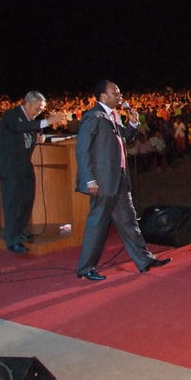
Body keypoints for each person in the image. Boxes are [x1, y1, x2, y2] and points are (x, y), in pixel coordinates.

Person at [75, 81, 170, 281]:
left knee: (129, 221)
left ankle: (144, 260)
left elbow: (124, 137)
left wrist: (133, 124)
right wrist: (89, 179)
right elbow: (82, 149)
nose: (119, 96)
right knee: (98, 225)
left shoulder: (114, 115)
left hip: (119, 179)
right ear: (103, 97)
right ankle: (86, 268)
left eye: (119, 92)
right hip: (102, 181)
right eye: (115, 93)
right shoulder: (93, 116)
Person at [0, 91, 66, 253]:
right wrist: (46, 121)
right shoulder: (11, 115)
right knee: (13, 204)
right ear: (27, 104)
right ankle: (12, 239)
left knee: (26, 201)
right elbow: (18, 128)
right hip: (10, 167)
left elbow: (25, 141)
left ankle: (20, 231)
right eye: (37, 108)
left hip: (24, 167)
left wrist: (37, 140)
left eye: (41, 110)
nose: (38, 112)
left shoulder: (30, 121)